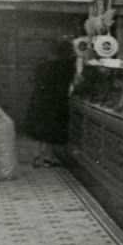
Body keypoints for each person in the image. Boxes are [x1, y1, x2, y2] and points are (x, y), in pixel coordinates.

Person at [25, 39, 76, 167]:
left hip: (40, 100)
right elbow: (74, 82)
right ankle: (48, 158)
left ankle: (37, 157)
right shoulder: (67, 66)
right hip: (56, 102)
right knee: (52, 131)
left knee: (40, 130)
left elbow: (33, 79)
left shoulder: (42, 65)